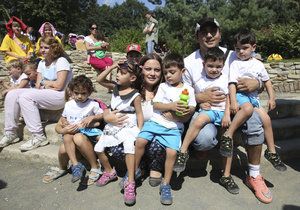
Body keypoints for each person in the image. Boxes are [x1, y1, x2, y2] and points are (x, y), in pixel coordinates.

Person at [183, 17, 273, 203]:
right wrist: (200, 98)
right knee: (204, 140)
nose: (209, 35)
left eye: (213, 31)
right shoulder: (189, 61)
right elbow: (181, 92)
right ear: (197, 36)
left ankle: (254, 175)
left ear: (219, 34)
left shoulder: (234, 54)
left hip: (232, 109)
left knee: (255, 122)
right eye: (204, 32)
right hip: (207, 112)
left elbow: (260, 78)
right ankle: (203, 150)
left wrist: (256, 83)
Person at [134, 53, 196, 205]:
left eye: (172, 72)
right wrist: (171, 106)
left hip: (174, 127)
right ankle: (133, 171)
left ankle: (166, 183)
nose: (168, 76)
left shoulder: (189, 89)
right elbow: (155, 104)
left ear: (183, 72)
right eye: (166, 72)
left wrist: (186, 111)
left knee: (172, 152)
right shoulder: (162, 87)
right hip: (155, 122)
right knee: (140, 140)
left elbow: (193, 107)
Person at [222, 29, 286, 171]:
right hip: (240, 96)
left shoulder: (258, 64)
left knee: (267, 120)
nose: (241, 52)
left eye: (245, 48)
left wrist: (272, 98)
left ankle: (271, 152)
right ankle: (228, 134)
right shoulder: (235, 64)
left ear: (253, 47)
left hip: (253, 98)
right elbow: (231, 84)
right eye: (237, 49)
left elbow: (267, 81)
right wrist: (233, 101)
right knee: (247, 109)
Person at [103, 53, 165, 188]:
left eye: (157, 70)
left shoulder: (165, 89)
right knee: (118, 147)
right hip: (134, 131)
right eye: (148, 69)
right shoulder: (131, 88)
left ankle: (155, 166)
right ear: (140, 69)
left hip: (156, 133)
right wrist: (106, 115)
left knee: (157, 143)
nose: (152, 73)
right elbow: (112, 106)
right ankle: (139, 167)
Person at [0, 37, 73, 151]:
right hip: (46, 92)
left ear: (54, 48)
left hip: (61, 96)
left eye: (46, 47)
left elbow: (59, 86)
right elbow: (38, 86)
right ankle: (10, 133)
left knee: (25, 96)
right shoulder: (42, 63)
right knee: (12, 94)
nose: (43, 50)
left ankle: (39, 136)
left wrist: (46, 83)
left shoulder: (61, 61)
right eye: (41, 47)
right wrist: (48, 84)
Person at [174, 47, 231, 173]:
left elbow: (229, 97)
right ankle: (183, 151)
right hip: (210, 112)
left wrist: (227, 114)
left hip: (223, 112)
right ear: (203, 64)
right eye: (210, 66)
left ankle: (226, 173)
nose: (214, 70)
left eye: (218, 66)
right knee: (199, 120)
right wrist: (201, 103)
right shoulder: (200, 80)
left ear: (223, 65)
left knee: (227, 140)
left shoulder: (226, 78)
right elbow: (195, 97)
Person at [94, 61, 143, 205]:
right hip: (113, 125)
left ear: (132, 78)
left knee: (129, 146)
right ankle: (109, 171)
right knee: (98, 148)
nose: (118, 75)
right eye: (118, 72)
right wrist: (113, 66)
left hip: (129, 125)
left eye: (122, 73)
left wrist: (139, 131)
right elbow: (99, 79)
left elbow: (139, 114)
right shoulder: (115, 88)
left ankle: (130, 182)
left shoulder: (136, 95)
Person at [58, 75, 104, 184]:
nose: (79, 96)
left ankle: (94, 166)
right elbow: (63, 117)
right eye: (76, 93)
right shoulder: (69, 104)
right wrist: (64, 122)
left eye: (83, 93)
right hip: (72, 131)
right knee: (67, 135)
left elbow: (102, 115)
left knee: (77, 137)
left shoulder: (92, 104)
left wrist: (92, 117)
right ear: (71, 92)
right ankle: (75, 165)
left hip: (86, 134)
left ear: (89, 92)